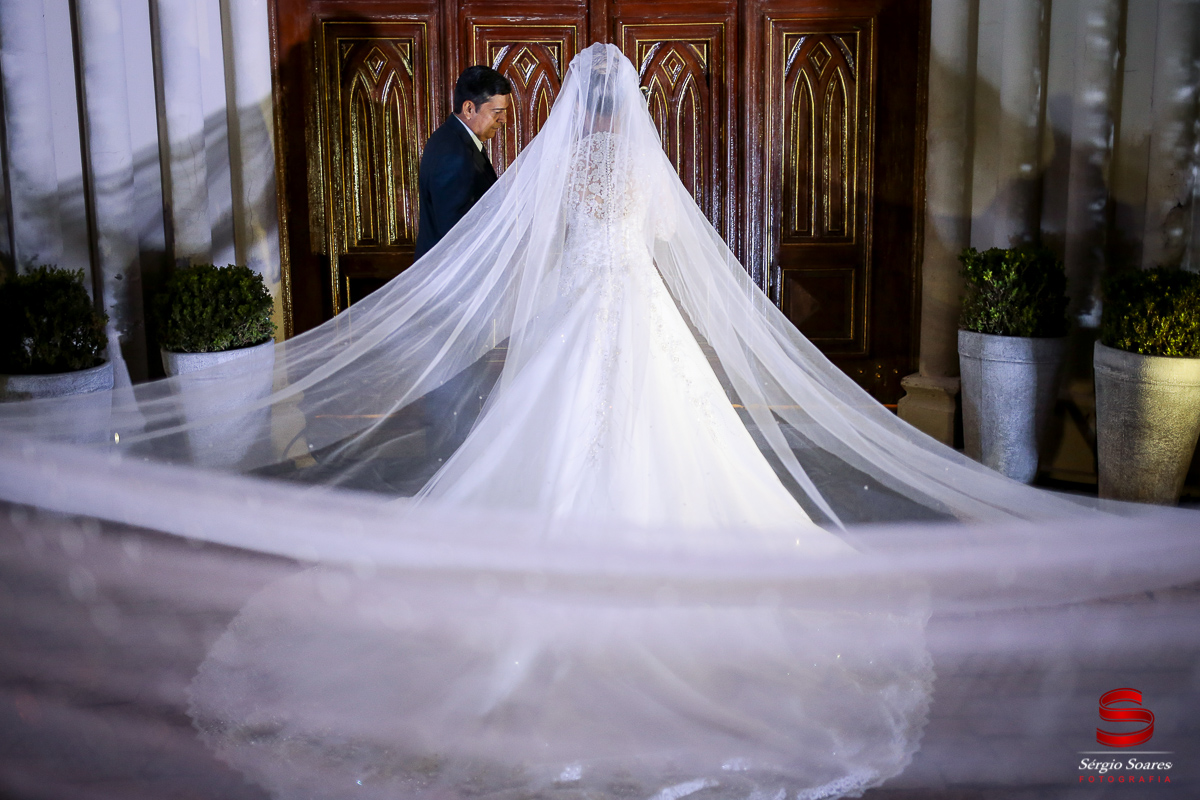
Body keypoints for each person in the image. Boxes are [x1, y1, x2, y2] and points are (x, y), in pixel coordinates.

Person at [414, 65, 512, 260]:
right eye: (497, 112)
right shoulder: (453, 154)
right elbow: (455, 236)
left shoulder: (454, 140)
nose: (504, 120)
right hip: (449, 279)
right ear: (469, 108)